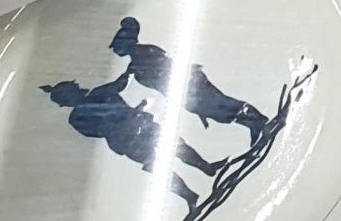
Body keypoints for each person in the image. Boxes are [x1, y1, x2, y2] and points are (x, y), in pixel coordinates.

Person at [40, 76, 212, 208]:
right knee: (160, 166)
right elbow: (100, 131)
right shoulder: (78, 117)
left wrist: (131, 71)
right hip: (127, 140)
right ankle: (189, 195)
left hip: (140, 125)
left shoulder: (98, 94)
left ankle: (206, 167)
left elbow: (120, 83)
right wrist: (126, 120)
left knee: (176, 146)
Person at [110, 16, 271, 138]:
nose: (116, 50)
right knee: (219, 114)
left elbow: (170, 66)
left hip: (190, 84)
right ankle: (253, 124)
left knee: (224, 104)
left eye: (118, 46)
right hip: (184, 95)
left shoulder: (147, 52)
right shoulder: (134, 68)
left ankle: (259, 120)